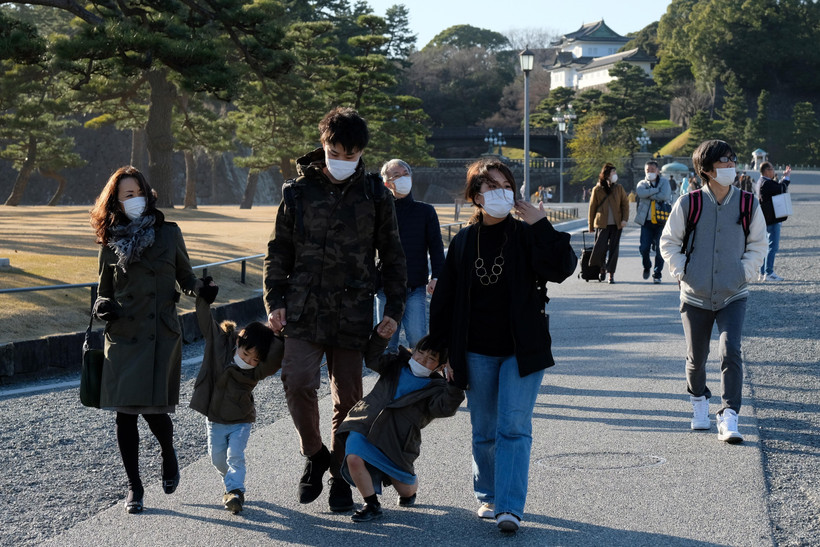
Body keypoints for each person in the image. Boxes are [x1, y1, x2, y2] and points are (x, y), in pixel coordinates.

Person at [263, 107, 407, 512]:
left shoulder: (376, 194)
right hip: (303, 309)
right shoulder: (297, 192)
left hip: (352, 311)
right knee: (297, 381)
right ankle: (315, 454)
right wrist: (274, 301)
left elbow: (393, 256)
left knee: (349, 399)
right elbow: (278, 252)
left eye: (351, 154)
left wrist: (394, 309)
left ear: (362, 153)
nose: (342, 160)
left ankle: (341, 475)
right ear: (323, 146)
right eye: (335, 152)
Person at [429, 158, 577, 534]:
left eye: (507, 186)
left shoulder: (527, 233)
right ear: (476, 196)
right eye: (492, 187)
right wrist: (443, 351)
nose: (502, 193)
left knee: (512, 425)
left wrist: (541, 224)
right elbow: (444, 300)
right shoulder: (464, 241)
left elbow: (562, 268)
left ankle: (510, 507)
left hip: (521, 347)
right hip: (475, 349)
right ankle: (489, 494)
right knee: (484, 428)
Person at [90, 166, 200, 514]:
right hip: (124, 335)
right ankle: (134, 487)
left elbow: (186, 278)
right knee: (125, 415)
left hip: (159, 334)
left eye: (139, 192)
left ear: (148, 194)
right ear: (116, 201)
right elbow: (102, 293)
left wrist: (202, 289)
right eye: (128, 195)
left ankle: (168, 454)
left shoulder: (168, 233)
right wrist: (102, 307)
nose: (135, 199)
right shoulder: (110, 241)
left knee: (154, 412)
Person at [659, 140, 766, 444]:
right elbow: (669, 242)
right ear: (706, 169)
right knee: (696, 358)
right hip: (695, 295)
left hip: (734, 293)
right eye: (723, 161)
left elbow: (759, 244)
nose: (730, 166)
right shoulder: (688, 203)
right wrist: (683, 272)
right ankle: (698, 401)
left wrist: (743, 272)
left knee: (730, 350)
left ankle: (729, 414)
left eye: (732, 160)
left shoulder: (748, 203)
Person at [339, 332, 464, 523]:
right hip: (365, 424)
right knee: (354, 458)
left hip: (397, 441)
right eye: (420, 353)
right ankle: (371, 504)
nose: (422, 360)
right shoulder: (395, 364)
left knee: (406, 491)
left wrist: (454, 382)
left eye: (431, 359)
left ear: (440, 367)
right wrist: (380, 337)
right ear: (413, 351)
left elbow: (445, 408)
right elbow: (372, 359)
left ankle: (409, 490)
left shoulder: (437, 388)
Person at [189, 277, 283, 514]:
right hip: (214, 419)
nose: (248, 361)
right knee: (217, 459)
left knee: (235, 457)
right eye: (246, 354)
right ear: (239, 341)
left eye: (254, 359)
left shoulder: (255, 372)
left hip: (241, 420)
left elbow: (273, 361)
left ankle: (236, 491)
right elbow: (205, 323)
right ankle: (231, 485)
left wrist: (279, 336)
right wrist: (203, 300)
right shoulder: (220, 345)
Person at [376, 159, 445, 354]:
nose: (403, 178)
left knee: (418, 340)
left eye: (405, 174)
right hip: (385, 287)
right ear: (387, 183)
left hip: (415, 286)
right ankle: (388, 373)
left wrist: (437, 276)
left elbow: (436, 247)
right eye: (396, 175)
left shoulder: (425, 211)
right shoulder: (379, 211)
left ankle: (416, 374)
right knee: (385, 343)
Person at [587, 163, 629, 283]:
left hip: (616, 224)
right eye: (613, 172)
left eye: (615, 172)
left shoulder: (619, 188)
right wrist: (590, 225)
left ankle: (611, 273)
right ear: (607, 175)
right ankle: (602, 268)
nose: (615, 174)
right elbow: (592, 208)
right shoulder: (597, 189)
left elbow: (625, 204)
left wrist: (624, 219)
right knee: (600, 248)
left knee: (614, 250)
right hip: (601, 224)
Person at [635, 160, 672, 284]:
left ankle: (657, 273)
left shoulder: (664, 182)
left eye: (652, 170)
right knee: (644, 248)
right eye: (647, 170)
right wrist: (656, 191)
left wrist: (649, 194)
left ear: (657, 171)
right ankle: (647, 266)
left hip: (661, 221)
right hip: (646, 221)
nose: (650, 172)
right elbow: (641, 193)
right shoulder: (642, 183)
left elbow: (665, 196)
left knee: (660, 249)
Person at [756, 162, 791, 281]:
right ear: (766, 171)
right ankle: (769, 272)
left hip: (766, 219)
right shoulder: (766, 183)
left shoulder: (761, 181)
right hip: (771, 219)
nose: (774, 171)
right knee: (772, 246)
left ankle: (762, 272)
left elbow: (776, 187)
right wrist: (786, 177)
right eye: (772, 169)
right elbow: (781, 188)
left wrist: (783, 178)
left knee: (766, 246)